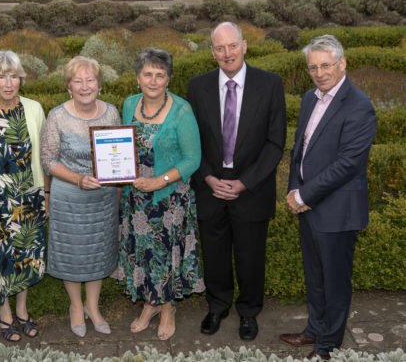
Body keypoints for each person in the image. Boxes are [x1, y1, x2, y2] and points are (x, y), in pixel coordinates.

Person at [186, 22, 287, 341]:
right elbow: (191, 141)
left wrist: (245, 182)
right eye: (219, 48)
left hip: (251, 188)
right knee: (214, 254)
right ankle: (217, 306)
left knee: (251, 256)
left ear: (244, 46)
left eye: (232, 46)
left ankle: (248, 311)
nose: (227, 53)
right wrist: (207, 177)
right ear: (212, 52)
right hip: (210, 186)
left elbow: (275, 142)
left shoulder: (270, 84)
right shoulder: (197, 86)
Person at [279, 35, 377, 360]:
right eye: (313, 67)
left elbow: (348, 165)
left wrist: (305, 194)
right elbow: (300, 149)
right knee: (316, 278)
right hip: (308, 207)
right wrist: (295, 189)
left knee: (334, 283)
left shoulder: (360, 106)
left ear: (342, 63)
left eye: (326, 65)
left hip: (336, 211)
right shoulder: (310, 98)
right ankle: (315, 330)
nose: (319, 73)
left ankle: (328, 347)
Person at [112, 47, 205, 341]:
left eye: (160, 75)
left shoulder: (182, 110)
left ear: (168, 79)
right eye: (147, 74)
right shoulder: (129, 104)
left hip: (169, 198)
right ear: (138, 77)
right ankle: (149, 304)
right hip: (136, 198)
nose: (153, 80)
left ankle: (167, 308)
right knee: (142, 252)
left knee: (165, 253)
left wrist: (159, 181)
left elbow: (193, 159)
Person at [0, 51, 49, 342]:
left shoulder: (35, 109)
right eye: (2, 76)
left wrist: (46, 195)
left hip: (28, 197)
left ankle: (23, 312)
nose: (8, 82)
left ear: (20, 78)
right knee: (0, 258)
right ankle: (4, 314)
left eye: (13, 76)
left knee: (26, 256)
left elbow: (45, 156)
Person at [41, 56, 120, 337]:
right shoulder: (57, 116)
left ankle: (93, 306)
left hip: (103, 197)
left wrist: (118, 183)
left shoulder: (111, 113)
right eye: (78, 81)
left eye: (90, 80)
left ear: (99, 85)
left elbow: (117, 155)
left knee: (98, 253)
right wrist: (77, 178)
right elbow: (48, 160)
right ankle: (76, 306)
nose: (85, 86)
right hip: (69, 195)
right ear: (69, 87)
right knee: (73, 254)